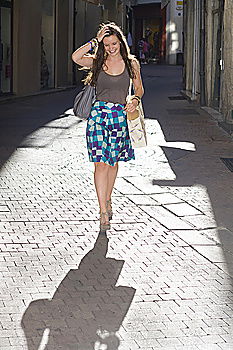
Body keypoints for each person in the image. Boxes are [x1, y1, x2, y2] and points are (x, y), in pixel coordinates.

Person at [72, 22, 144, 232]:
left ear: (121, 42)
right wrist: (94, 42)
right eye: (107, 44)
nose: (111, 47)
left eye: (114, 43)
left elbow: (139, 89)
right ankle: (103, 209)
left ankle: (108, 197)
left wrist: (135, 100)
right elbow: (76, 57)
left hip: (119, 117)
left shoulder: (132, 64)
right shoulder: (97, 62)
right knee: (100, 164)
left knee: (112, 163)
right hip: (98, 118)